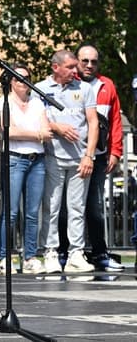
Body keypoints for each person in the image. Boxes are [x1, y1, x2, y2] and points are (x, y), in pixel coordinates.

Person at [35, 49, 98, 274]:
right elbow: (36, 119)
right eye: (70, 67)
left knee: (77, 208)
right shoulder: (41, 89)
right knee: (51, 207)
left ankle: (76, 253)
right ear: (56, 67)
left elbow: (93, 122)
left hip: (80, 159)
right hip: (53, 156)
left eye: (75, 67)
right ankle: (50, 251)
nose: (75, 71)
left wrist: (89, 155)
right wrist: (56, 127)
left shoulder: (85, 88)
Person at [0, 63, 51, 275]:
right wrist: (36, 134)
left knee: (32, 213)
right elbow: (8, 131)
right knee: (10, 212)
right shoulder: (3, 102)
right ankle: (4, 256)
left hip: (37, 159)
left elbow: (46, 131)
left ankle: (30, 256)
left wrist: (32, 133)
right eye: (20, 78)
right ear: (10, 81)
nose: (24, 82)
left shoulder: (37, 103)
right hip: (14, 159)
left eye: (28, 77)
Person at [75, 44, 125, 272]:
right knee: (68, 208)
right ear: (76, 61)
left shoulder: (107, 85)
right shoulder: (70, 83)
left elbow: (115, 121)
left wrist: (116, 151)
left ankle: (99, 253)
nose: (89, 65)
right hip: (73, 156)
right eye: (84, 60)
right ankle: (66, 252)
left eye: (93, 61)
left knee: (94, 207)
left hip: (100, 156)